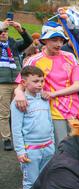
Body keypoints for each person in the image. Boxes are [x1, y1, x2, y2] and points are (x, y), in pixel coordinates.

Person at [14, 22, 79, 146]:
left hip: (75, 109)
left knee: (78, 146)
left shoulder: (70, 57)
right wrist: (19, 94)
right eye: (54, 40)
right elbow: (20, 85)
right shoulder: (34, 60)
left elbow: (78, 85)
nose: (59, 44)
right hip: (52, 111)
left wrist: (53, 93)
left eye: (61, 40)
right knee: (60, 147)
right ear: (44, 40)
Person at [11, 66, 54, 189]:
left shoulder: (44, 99)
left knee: (45, 180)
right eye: (35, 81)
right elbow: (16, 129)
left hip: (48, 147)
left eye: (42, 81)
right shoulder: (19, 102)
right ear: (23, 83)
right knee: (31, 182)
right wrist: (20, 151)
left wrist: (52, 143)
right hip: (31, 150)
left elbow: (49, 122)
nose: (40, 84)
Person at [0, 19, 32, 151]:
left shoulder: (12, 43)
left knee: (22, 110)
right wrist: (2, 25)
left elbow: (28, 42)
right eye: (0, 32)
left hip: (18, 83)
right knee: (4, 113)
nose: (3, 33)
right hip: (2, 84)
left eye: (5, 31)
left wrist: (20, 29)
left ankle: (22, 136)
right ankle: (6, 138)